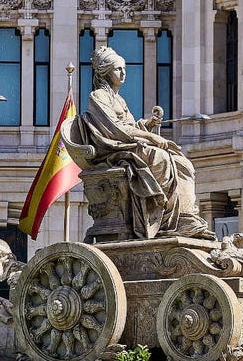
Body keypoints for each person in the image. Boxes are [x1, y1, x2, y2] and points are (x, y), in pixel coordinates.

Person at [63, 45, 214, 240]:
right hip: (113, 151)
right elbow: (116, 130)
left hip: (129, 146)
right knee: (161, 159)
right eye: (118, 69)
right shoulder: (98, 96)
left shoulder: (119, 99)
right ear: (106, 71)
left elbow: (131, 126)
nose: (123, 73)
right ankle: (166, 220)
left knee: (182, 162)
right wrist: (152, 137)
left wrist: (148, 125)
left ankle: (184, 217)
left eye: (124, 69)